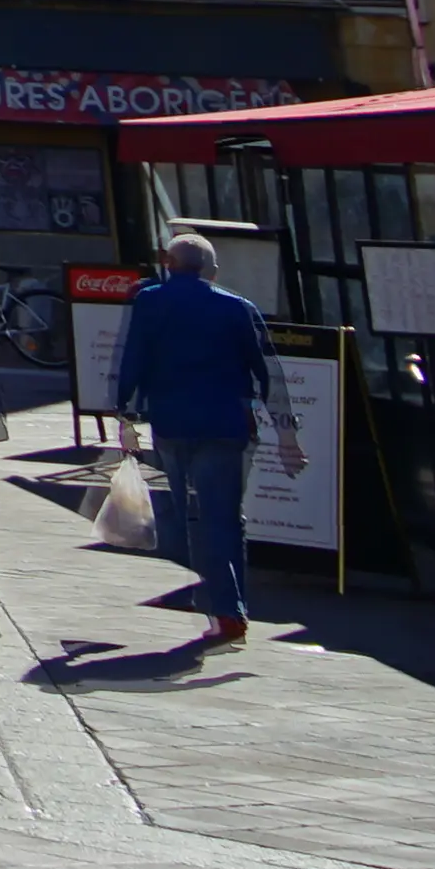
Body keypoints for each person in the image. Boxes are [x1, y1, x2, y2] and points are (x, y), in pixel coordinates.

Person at [111, 229, 292, 644]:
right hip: (226, 426)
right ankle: (230, 610)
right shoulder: (237, 308)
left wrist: (126, 415)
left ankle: (210, 601)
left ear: (169, 265)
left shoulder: (149, 302)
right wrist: (286, 430)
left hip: (172, 425)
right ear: (211, 269)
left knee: (190, 515)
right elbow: (268, 371)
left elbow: (133, 360)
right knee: (225, 518)